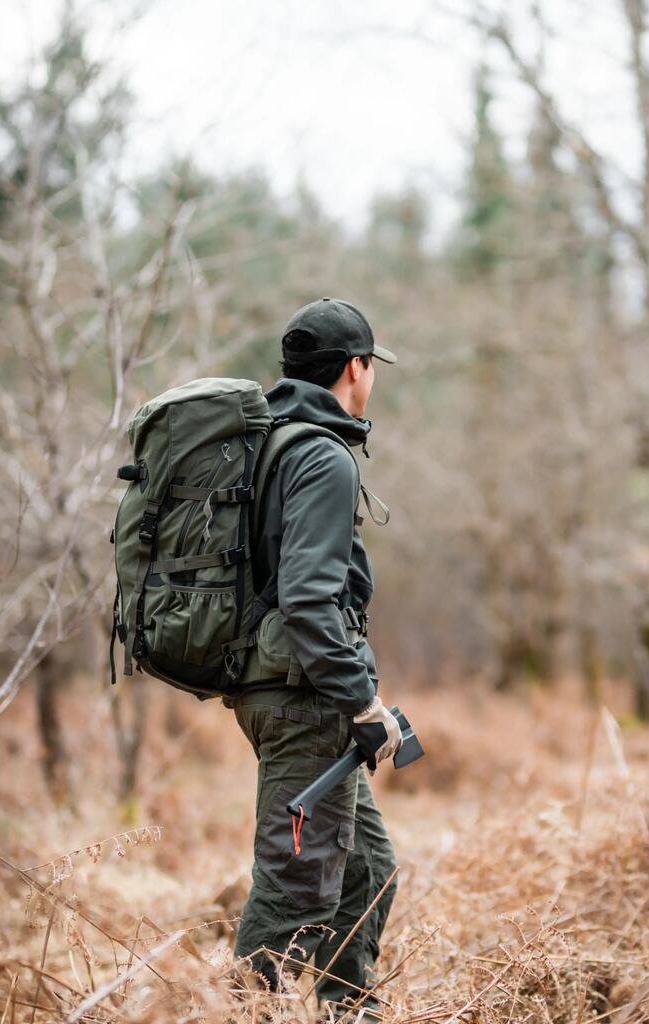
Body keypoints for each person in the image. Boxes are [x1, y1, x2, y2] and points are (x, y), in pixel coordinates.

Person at [231, 297, 403, 1020]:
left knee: (366, 869)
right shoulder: (323, 455)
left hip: (281, 686)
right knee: (295, 889)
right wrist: (362, 701)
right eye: (372, 366)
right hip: (305, 700)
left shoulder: (274, 440)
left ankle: (346, 1011)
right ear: (355, 367)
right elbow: (307, 600)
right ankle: (241, 1011)